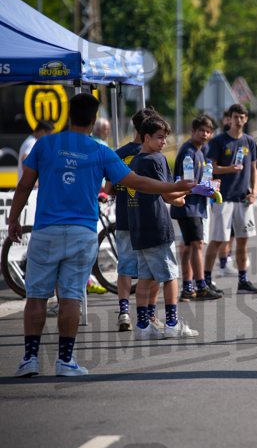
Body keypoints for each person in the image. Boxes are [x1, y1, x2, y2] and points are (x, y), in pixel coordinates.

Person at [8, 93, 196, 377]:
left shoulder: (45, 144)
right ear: (95, 120)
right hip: (82, 232)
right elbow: (138, 183)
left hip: (45, 230)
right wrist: (177, 187)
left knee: (36, 297)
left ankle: (29, 359)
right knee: (71, 298)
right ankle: (64, 360)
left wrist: (14, 220)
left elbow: (23, 186)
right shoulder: (101, 151)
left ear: (68, 115)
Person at [128, 115, 212, 340]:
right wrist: (192, 190)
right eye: (159, 137)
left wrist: (182, 194)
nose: (164, 142)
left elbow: (166, 195)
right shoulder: (155, 160)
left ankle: (143, 327)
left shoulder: (135, 161)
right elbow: (167, 194)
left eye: (165, 137)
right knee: (171, 276)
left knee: (145, 278)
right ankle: (173, 324)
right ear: (147, 137)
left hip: (138, 226)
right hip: (157, 225)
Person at [103, 107, 162, 332]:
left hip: (126, 218)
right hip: (149, 221)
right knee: (154, 269)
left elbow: (109, 188)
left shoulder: (118, 153)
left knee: (125, 267)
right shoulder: (154, 155)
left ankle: (124, 312)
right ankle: (150, 316)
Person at [203, 103, 257, 295]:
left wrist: (255, 192)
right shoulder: (219, 141)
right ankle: (206, 280)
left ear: (246, 119)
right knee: (218, 240)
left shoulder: (249, 142)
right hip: (223, 198)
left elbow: (254, 168)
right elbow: (210, 169)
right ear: (230, 119)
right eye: (235, 117)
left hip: (243, 199)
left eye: (242, 117)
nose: (238, 120)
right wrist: (229, 169)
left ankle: (243, 282)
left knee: (243, 241)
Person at [171, 114, 221, 302]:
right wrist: (207, 191)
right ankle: (200, 287)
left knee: (190, 247)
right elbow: (187, 184)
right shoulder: (189, 152)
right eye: (201, 130)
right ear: (193, 131)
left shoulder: (199, 151)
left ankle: (188, 288)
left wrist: (211, 184)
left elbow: (198, 181)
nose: (205, 134)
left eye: (208, 131)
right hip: (188, 206)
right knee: (197, 245)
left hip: (194, 206)